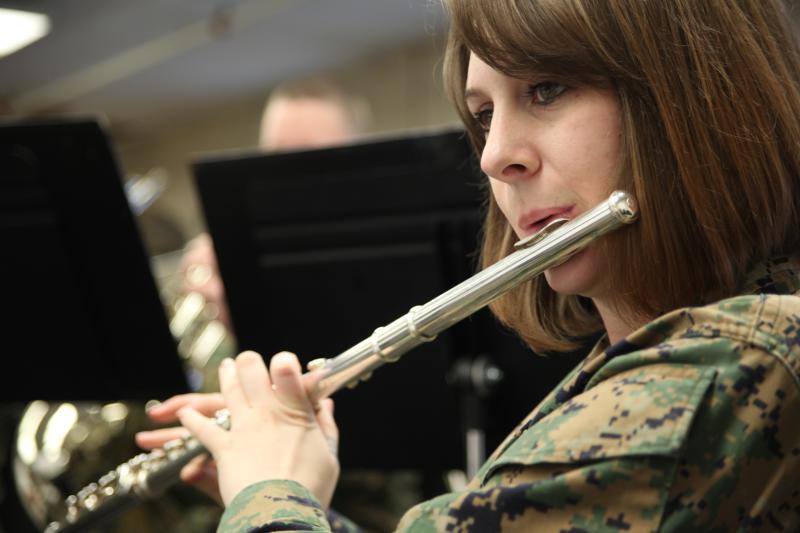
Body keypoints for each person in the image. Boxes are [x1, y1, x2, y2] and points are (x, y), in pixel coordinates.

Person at [141, 0, 800, 531]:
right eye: (484, 114)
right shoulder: (665, 362)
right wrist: (292, 485)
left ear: (691, 103)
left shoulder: (738, 359)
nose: (493, 156)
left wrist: (269, 494)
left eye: (546, 89)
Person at [179, 77, 371, 332]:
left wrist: (252, 310)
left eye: (311, 158)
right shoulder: (245, 245)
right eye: (276, 157)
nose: (287, 175)